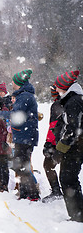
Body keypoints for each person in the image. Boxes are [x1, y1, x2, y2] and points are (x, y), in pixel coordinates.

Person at [0, 69, 40, 201]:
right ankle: (25, 193)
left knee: (21, 165)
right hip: (22, 135)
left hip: (25, 136)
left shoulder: (25, 96)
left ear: (19, 83)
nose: (12, 84)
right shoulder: (23, 95)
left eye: (13, 82)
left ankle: (32, 195)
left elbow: (15, 115)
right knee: (20, 165)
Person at [53, 70, 83, 222]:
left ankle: (77, 216)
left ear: (64, 87)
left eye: (58, 87)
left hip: (75, 147)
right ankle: (77, 213)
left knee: (68, 178)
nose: (56, 90)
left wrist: (61, 148)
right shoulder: (71, 100)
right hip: (74, 146)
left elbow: (73, 129)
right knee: (68, 178)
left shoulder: (74, 102)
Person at [41, 84, 64, 203]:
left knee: (48, 165)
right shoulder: (67, 102)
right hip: (66, 141)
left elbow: (53, 127)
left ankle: (57, 191)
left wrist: (49, 143)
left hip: (58, 142)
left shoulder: (57, 105)